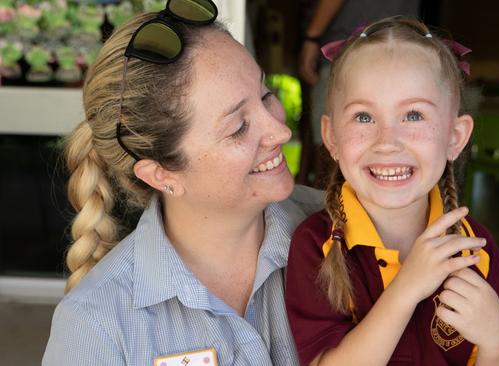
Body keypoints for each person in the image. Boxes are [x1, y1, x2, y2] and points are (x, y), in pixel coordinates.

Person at [42, 0, 321, 364]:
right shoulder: (96, 323)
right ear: (161, 174)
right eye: (238, 128)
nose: (280, 130)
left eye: (266, 96)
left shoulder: (342, 226)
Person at [285, 17, 499, 366]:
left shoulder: (474, 248)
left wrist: (498, 343)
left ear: (455, 137)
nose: (387, 142)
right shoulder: (316, 246)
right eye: (364, 117)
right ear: (331, 137)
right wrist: (407, 288)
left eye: (414, 116)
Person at [297, 0, 419, 185]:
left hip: (349, 49)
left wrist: (312, 37)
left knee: (331, 153)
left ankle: (335, 208)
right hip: (401, 46)